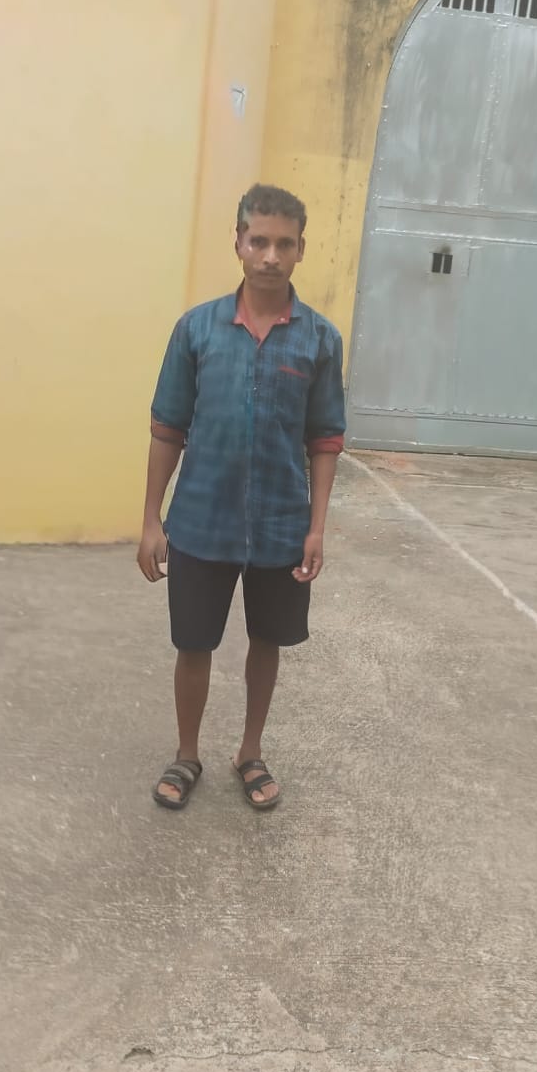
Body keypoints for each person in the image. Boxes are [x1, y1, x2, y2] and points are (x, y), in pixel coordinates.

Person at [137, 184, 346, 811]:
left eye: (284, 244)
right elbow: (167, 428)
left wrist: (316, 527)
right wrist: (151, 520)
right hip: (201, 519)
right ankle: (187, 753)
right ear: (238, 243)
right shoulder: (196, 330)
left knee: (267, 641)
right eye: (259, 241)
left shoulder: (319, 339)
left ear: (301, 249)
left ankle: (250, 752)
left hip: (281, 524)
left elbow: (325, 438)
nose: (270, 256)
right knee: (193, 643)